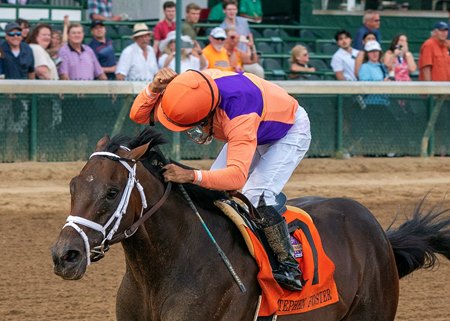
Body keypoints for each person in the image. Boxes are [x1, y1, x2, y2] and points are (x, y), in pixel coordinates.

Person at [129, 67, 311, 292]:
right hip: (256, 124)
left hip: (287, 132)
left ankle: (288, 263)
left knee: (255, 195)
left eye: (197, 127)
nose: (193, 132)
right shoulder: (187, 89)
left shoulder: (239, 115)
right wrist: (153, 88)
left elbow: (235, 178)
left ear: (209, 113)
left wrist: (191, 175)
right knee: (215, 194)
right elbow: (139, 115)